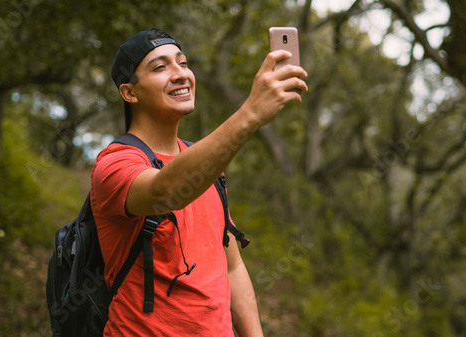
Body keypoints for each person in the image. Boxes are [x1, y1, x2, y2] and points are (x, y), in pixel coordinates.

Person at [90, 28, 308, 337]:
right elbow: (166, 191)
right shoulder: (115, 163)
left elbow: (232, 267)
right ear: (130, 93)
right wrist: (250, 113)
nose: (180, 74)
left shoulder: (208, 166)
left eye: (182, 62)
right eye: (160, 67)